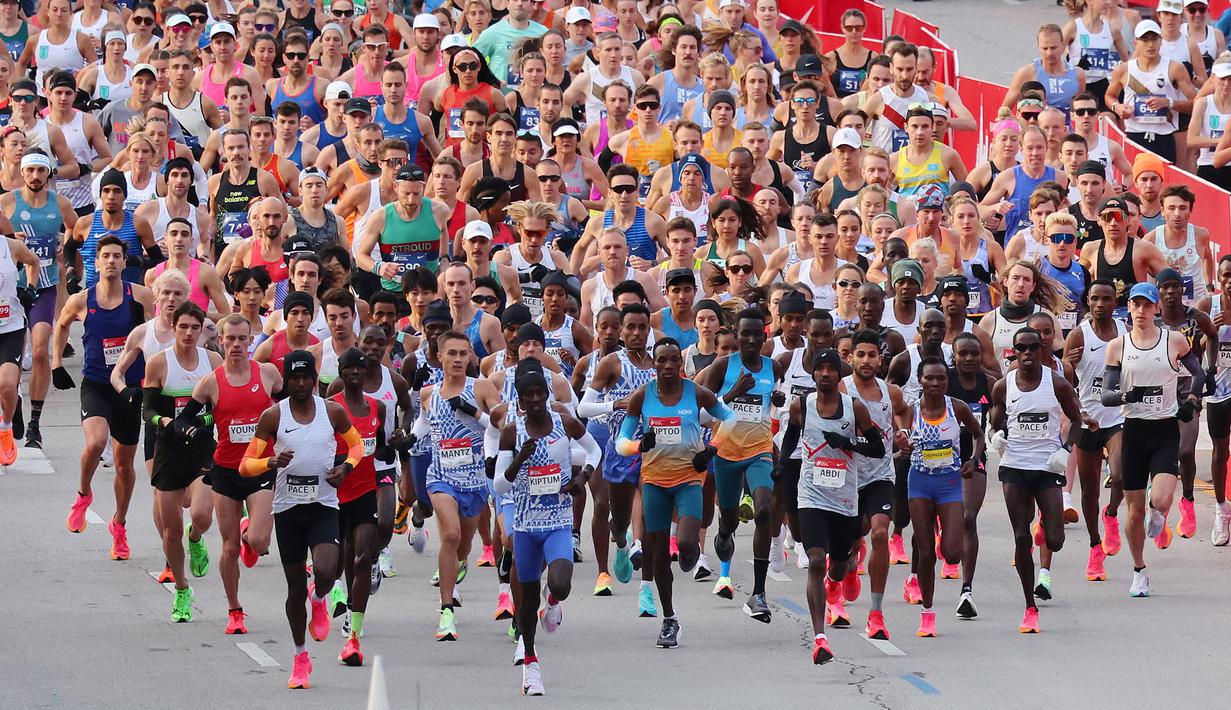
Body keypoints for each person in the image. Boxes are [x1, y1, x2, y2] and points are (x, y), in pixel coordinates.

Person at [239, 349, 366, 689]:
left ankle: (320, 598)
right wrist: (270, 462)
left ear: (314, 380)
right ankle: (300, 657)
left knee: (326, 570)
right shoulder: (273, 416)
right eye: (293, 378)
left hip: (323, 505)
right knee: (295, 589)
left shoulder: (332, 412)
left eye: (305, 377)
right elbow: (245, 465)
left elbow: (357, 447)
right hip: (288, 510)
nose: (299, 383)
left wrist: (346, 467)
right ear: (287, 381)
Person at [614, 336, 728, 647]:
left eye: (673, 359)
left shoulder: (696, 392)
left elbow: (729, 419)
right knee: (660, 554)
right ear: (653, 363)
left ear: (681, 363)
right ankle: (669, 619)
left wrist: (712, 448)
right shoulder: (642, 396)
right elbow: (621, 442)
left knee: (688, 543)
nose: (667, 365)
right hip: (654, 482)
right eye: (661, 360)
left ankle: (690, 554)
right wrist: (639, 445)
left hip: (689, 479)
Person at [495, 358, 598, 696]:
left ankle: (552, 600)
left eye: (541, 392)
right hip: (526, 527)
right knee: (525, 600)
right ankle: (530, 663)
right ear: (521, 400)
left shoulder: (564, 422)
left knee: (561, 583)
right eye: (530, 394)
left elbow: (594, 450)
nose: (537, 399)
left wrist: (582, 477)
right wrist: (519, 459)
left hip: (558, 522)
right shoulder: (512, 432)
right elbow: (500, 485)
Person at [777, 347, 884, 662]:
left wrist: (848, 442)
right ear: (813, 374)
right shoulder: (801, 406)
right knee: (815, 560)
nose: (825, 374)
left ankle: (842, 573)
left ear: (839, 375)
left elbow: (878, 448)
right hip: (811, 495)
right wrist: (782, 464)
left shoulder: (854, 408)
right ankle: (820, 638)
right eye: (820, 369)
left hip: (844, 499)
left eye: (831, 369)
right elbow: (791, 437)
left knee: (837, 566)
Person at [1098, 282, 1205, 598]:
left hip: (1164, 430)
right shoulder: (1118, 346)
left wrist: (1191, 401)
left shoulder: (1173, 341)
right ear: (1129, 308)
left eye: (1147, 305)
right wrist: (1126, 396)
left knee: (1160, 498)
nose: (1141, 310)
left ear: (1156, 308)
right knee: (1134, 512)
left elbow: (1199, 374)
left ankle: (1159, 512)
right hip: (1133, 431)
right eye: (1136, 304)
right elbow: (1106, 395)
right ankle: (1139, 570)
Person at [55, 235, 155, 560]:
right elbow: (61, 325)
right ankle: (83, 493)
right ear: (96, 263)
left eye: (116, 256)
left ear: (125, 262)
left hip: (128, 389)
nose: (111, 261)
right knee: (96, 442)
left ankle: (119, 525)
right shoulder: (81, 300)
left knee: (124, 466)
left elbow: (157, 334)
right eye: (106, 256)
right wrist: (56, 363)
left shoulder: (140, 296)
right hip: (96, 383)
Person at [185, 314, 281, 635]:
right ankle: (235, 610)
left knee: (260, 540)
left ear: (251, 340)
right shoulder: (210, 383)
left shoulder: (267, 374)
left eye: (242, 339)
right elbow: (186, 420)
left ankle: (248, 533)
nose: (237, 344)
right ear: (221, 341)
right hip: (226, 471)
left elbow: (290, 406)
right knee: (228, 547)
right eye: (231, 339)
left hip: (260, 467)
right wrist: (200, 430)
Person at [988, 327, 1085, 633]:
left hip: (1047, 467)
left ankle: (1045, 522)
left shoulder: (1056, 383)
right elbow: (994, 420)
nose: (1028, 353)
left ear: (1043, 350)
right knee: (1020, 537)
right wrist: (996, 436)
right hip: (1015, 467)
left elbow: (1077, 420)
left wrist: (1066, 449)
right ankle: (1030, 607)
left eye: (1034, 348)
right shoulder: (1003, 386)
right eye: (1022, 348)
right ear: (1014, 352)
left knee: (1055, 540)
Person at [695, 307, 784, 617]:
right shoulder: (722, 367)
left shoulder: (773, 367)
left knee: (764, 510)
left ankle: (758, 593)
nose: (751, 340)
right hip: (726, 454)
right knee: (729, 521)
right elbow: (702, 415)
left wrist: (778, 401)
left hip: (759, 451)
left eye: (757, 334)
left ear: (764, 336)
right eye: (745, 334)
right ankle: (723, 533)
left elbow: (775, 405)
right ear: (736, 335)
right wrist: (733, 392)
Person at [141, 302, 222, 621]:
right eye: (183, 327)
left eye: (194, 328)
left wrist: (201, 422)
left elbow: (220, 408)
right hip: (169, 451)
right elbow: (147, 410)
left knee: (201, 514)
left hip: (201, 449)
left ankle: (197, 537)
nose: (189, 333)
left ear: (202, 330)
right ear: (173, 328)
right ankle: (182, 589)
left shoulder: (212, 362)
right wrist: (165, 422)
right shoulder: (159, 363)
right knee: (170, 532)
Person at [896, 357, 983, 638]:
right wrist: (902, 446)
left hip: (949, 484)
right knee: (925, 553)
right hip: (920, 484)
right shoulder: (911, 411)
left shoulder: (957, 408)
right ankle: (927, 614)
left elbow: (979, 434)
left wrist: (973, 460)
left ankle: (943, 532)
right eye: (929, 378)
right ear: (920, 381)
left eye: (941, 378)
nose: (935, 383)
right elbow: (898, 440)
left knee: (952, 553)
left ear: (948, 381)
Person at [577, 304, 657, 601]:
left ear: (649, 330)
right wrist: (617, 404)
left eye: (642, 327)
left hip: (651, 450)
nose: (636, 333)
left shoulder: (659, 363)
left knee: (650, 507)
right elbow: (583, 408)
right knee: (610, 511)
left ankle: (645, 582)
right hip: (617, 447)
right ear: (623, 331)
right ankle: (620, 545)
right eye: (631, 327)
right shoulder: (612, 363)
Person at [2, 151, 75, 449]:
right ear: (22, 172)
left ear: (49, 173)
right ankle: (13, 397)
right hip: (10, 289)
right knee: (11, 358)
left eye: (40, 171)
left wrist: (64, 246)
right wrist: (13, 237)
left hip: (43, 286)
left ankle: (34, 423)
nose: (35, 176)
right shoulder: (8, 201)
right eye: (30, 170)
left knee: (42, 350)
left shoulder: (60, 203)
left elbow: (76, 229)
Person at [1103, 18, 1197, 163]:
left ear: (1161, 40)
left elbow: (1195, 103)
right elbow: (1110, 96)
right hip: (1135, 135)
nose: (1150, 45)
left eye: (1154, 39)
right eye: (1145, 40)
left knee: (1165, 176)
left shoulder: (1174, 68)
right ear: (1136, 43)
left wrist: (1169, 103)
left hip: (1164, 136)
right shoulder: (1124, 70)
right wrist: (1118, 107)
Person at [355, 164, 452, 295]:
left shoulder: (440, 211)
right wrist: (379, 267)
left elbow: (443, 232)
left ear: (423, 188)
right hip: (394, 293)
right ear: (395, 187)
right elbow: (360, 256)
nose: (411, 200)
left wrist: (444, 260)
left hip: (428, 293)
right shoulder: (381, 217)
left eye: (416, 194)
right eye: (406, 194)